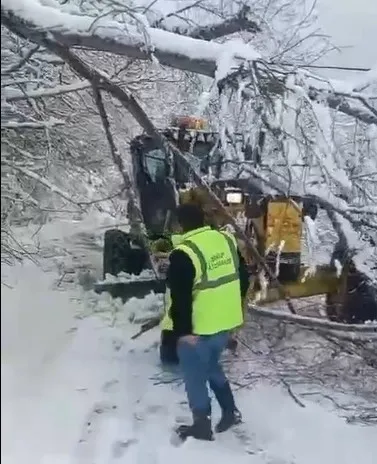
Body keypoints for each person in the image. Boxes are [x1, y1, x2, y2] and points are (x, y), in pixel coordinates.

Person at [163, 203, 249, 441]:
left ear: (180, 224)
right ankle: (230, 412)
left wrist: (183, 332)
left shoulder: (184, 253)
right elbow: (243, 278)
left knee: (194, 377)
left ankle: (201, 425)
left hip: (199, 328)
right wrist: (234, 312)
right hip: (225, 322)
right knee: (211, 365)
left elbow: (180, 297)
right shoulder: (226, 240)